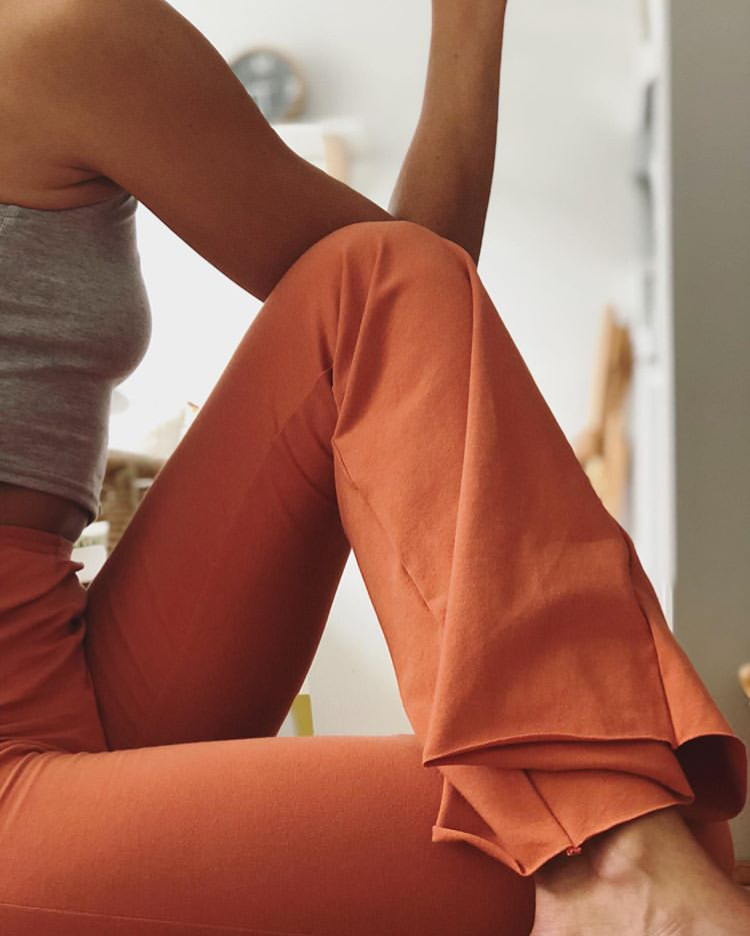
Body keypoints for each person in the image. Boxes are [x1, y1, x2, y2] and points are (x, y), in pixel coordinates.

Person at [0, 1, 747, 933]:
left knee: (372, 282)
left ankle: (617, 833)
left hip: (55, 647)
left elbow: (412, 316)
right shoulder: (50, 36)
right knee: (642, 849)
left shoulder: (59, 35)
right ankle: (620, 842)